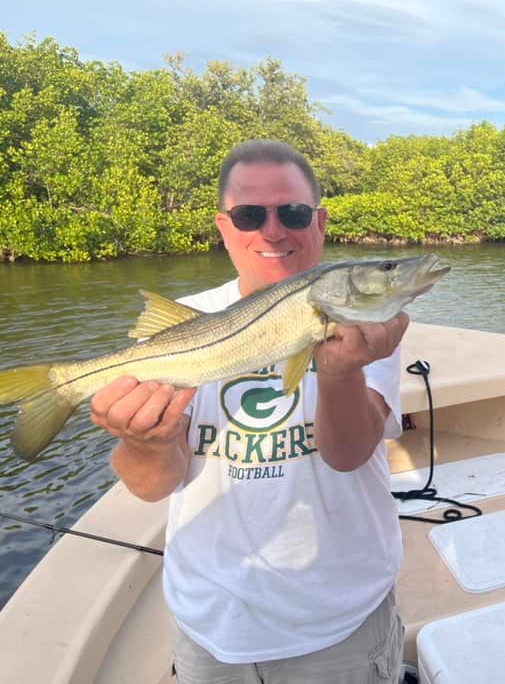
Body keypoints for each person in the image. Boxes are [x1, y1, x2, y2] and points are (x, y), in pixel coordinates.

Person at [90, 139, 409, 684]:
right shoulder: (188, 321)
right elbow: (151, 485)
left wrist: (338, 372)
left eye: (292, 212)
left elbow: (350, 454)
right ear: (223, 226)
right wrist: (145, 441)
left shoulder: (364, 320)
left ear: (320, 222)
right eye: (248, 215)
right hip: (210, 626)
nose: (272, 231)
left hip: (340, 622)